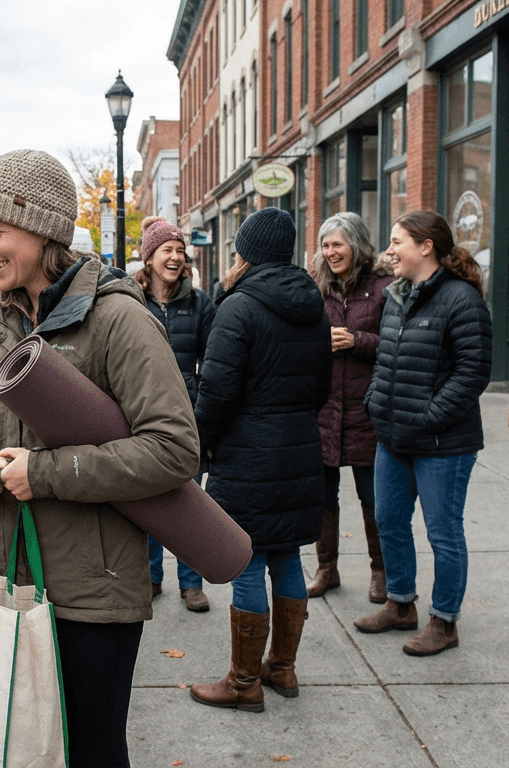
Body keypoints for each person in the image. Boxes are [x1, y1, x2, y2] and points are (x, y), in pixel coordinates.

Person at [0, 149, 199, 766]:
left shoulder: (119, 319)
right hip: (10, 574)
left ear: (42, 231)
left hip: (94, 590)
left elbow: (173, 450)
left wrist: (43, 474)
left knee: (89, 751)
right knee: (20, 747)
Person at [190, 208, 331, 712]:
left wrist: (200, 444)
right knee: (288, 556)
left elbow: (216, 393)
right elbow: (322, 388)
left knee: (247, 561)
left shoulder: (238, 307)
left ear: (246, 253)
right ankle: (284, 668)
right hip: (298, 453)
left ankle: (244, 682)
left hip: (247, 457)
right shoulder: (313, 306)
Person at [355, 211, 491, 657]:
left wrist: (431, 416)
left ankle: (445, 621)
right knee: (389, 520)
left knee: (443, 532)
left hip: (442, 444)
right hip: (394, 437)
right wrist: (376, 400)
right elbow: (385, 359)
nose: (390, 250)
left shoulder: (460, 300)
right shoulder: (396, 296)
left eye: (397, 242)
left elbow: (473, 373)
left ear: (426, 246)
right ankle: (400, 604)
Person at [306, 212, 395, 603]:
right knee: (322, 498)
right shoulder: (315, 288)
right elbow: (299, 339)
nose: (330, 253)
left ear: (356, 245)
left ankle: (382, 572)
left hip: (367, 410)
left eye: (337, 244)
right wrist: (317, 342)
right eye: (325, 246)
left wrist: (356, 340)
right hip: (324, 410)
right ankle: (327, 568)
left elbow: (397, 343)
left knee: (373, 498)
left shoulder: (384, 288)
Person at [134, 218, 216, 613]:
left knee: (188, 500)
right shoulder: (131, 299)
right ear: (149, 257)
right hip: (142, 412)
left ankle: (191, 583)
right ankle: (150, 577)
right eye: (167, 250)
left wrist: (202, 409)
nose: (176, 257)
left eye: (180, 251)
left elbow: (213, 361)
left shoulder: (198, 302)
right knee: (147, 498)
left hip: (188, 413)